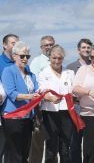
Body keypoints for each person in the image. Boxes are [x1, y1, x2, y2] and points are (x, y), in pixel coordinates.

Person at [1, 41, 39, 163]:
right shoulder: (8, 71)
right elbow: (13, 94)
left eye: (27, 56)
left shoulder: (30, 74)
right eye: (22, 56)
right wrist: (31, 96)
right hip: (13, 117)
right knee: (14, 153)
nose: (25, 59)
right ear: (14, 56)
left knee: (24, 152)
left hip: (28, 118)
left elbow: (39, 90)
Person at [38, 45, 75, 163]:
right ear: (50, 57)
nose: (57, 61)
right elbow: (41, 90)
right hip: (50, 112)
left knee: (65, 147)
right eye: (54, 58)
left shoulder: (69, 73)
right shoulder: (44, 73)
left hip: (66, 113)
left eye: (60, 58)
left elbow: (74, 91)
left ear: (63, 59)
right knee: (51, 147)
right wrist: (49, 98)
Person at [29, 35, 56, 163]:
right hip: (40, 106)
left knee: (53, 140)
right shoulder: (36, 62)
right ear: (41, 47)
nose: (49, 47)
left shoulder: (57, 61)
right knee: (38, 141)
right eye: (46, 45)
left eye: (51, 44)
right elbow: (35, 85)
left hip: (55, 107)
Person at [67, 38, 92, 163]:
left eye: (88, 47)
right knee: (75, 140)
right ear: (78, 50)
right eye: (84, 47)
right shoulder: (71, 67)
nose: (86, 50)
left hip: (92, 107)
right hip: (76, 106)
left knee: (90, 141)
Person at [0, 34, 19, 163]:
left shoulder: (22, 63)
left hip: (17, 114)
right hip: (3, 113)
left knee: (13, 152)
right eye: (13, 43)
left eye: (17, 43)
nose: (16, 46)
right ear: (4, 45)